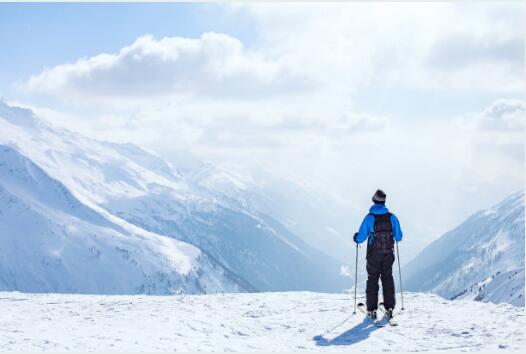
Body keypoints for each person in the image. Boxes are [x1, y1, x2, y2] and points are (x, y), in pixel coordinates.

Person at [353, 189, 403, 320]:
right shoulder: (392, 217)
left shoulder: (370, 218)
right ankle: (390, 307)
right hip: (388, 254)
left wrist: (356, 238)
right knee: (387, 278)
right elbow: (399, 237)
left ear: (374, 201)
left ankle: (372, 310)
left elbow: (362, 236)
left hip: (373, 255)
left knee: (372, 280)